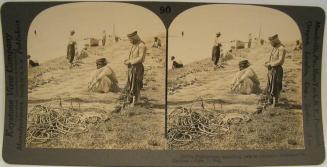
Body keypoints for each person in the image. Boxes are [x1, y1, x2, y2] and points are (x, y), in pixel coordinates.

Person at [124, 31, 147, 107]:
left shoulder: (141, 45)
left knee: (136, 84)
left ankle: (136, 101)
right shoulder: (134, 45)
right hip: (131, 68)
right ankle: (132, 100)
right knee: (130, 84)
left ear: (134, 38)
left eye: (130, 39)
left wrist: (130, 62)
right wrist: (127, 61)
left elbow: (141, 59)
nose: (130, 41)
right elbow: (132, 56)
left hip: (137, 68)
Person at [265, 34, 286, 107]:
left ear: (275, 40)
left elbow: (280, 61)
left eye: (271, 41)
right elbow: (271, 58)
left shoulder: (281, 48)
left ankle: (275, 103)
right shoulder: (274, 48)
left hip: (277, 69)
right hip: (271, 69)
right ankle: (270, 101)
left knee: (276, 85)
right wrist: (267, 63)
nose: (270, 43)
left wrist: (271, 64)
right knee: (270, 85)